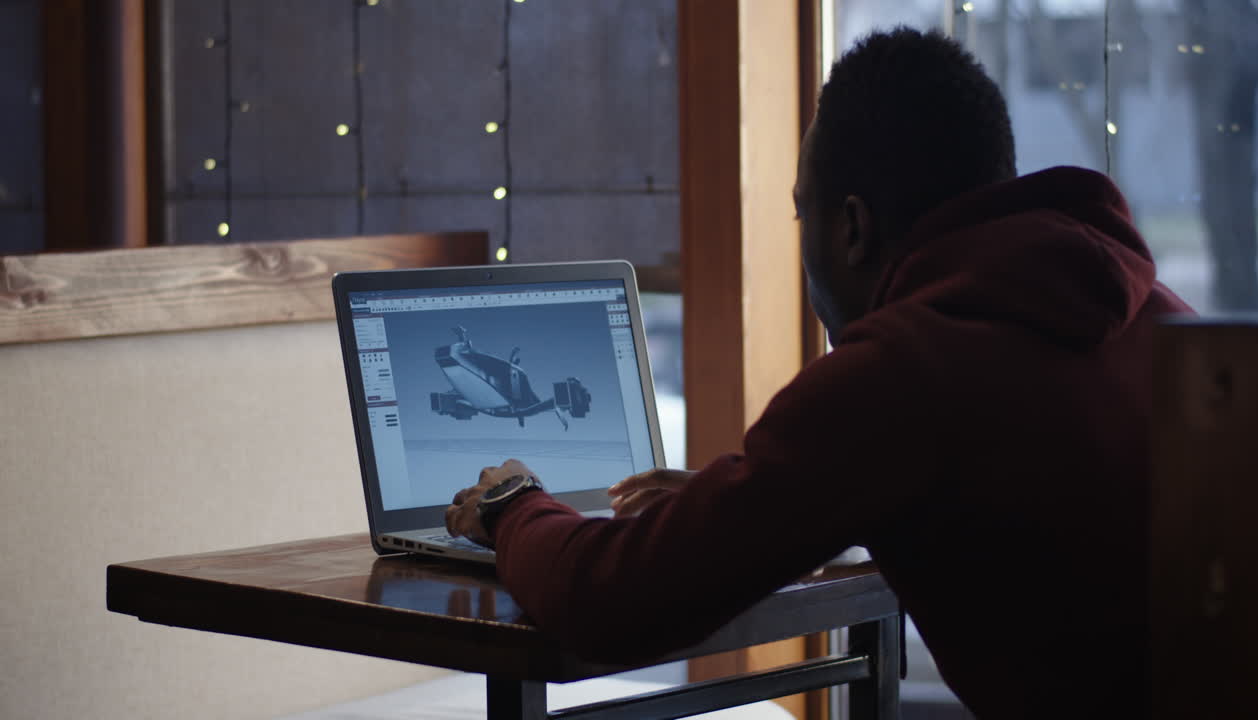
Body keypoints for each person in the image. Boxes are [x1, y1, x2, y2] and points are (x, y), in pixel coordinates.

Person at [446, 27, 1192, 719]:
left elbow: (608, 602)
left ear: (853, 227)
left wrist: (511, 504)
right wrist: (743, 498)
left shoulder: (901, 371)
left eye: (804, 215)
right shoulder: (1158, 316)